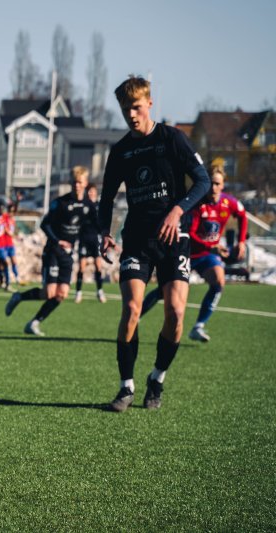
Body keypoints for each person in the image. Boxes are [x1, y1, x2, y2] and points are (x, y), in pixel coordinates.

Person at [98, 76, 210, 412]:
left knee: (176, 313)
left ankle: (157, 378)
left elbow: (202, 181)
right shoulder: (121, 151)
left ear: (149, 103)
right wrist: (105, 232)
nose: (131, 115)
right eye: (125, 109)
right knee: (132, 308)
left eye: (136, 107)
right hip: (136, 239)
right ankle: (126, 387)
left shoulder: (172, 139)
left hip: (175, 239)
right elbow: (106, 197)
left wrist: (177, 210)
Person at [139, 165, 247, 342]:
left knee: (218, 282)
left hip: (206, 255)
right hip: (185, 252)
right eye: (210, 183)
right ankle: (136, 316)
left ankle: (198, 327)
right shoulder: (195, 204)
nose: (213, 187)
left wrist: (241, 242)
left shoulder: (229, 203)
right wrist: (211, 246)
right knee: (163, 292)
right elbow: (189, 233)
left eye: (217, 184)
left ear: (223, 185)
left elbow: (242, 215)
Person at [4, 166, 97, 336]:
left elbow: (93, 226)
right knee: (49, 293)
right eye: (74, 182)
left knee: (62, 294)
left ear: (85, 183)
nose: (76, 185)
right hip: (53, 251)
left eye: (80, 182)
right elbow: (44, 224)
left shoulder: (88, 205)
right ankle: (19, 297)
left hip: (68, 255)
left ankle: (33, 323)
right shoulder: (60, 203)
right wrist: (57, 240)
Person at [74, 184, 107, 303]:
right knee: (81, 266)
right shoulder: (82, 205)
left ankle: (100, 291)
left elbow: (103, 222)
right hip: (83, 239)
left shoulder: (100, 206)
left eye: (93, 191)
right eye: (89, 191)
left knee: (98, 265)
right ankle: (78, 292)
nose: (91, 193)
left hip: (95, 239)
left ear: (96, 193)